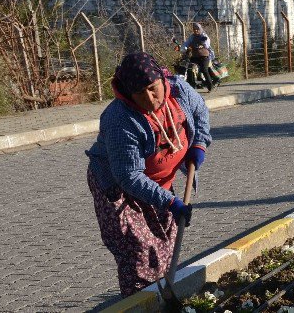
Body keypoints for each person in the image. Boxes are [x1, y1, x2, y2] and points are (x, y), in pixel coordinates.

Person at [86, 52, 211, 297]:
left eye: (153, 89)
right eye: (140, 94)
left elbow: (200, 113)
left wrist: (199, 144)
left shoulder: (179, 91)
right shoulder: (120, 119)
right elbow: (129, 175)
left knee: (166, 244)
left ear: (163, 80)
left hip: (160, 182)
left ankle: (162, 296)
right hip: (119, 189)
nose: (149, 98)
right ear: (128, 94)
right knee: (139, 252)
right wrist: (170, 202)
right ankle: (141, 303)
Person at [182, 22, 217, 91]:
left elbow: (207, 43)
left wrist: (203, 43)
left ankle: (210, 86)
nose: (196, 30)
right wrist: (183, 48)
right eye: (194, 29)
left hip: (204, 57)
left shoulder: (203, 35)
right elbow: (187, 43)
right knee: (188, 67)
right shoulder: (192, 37)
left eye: (197, 29)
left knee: (204, 70)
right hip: (195, 57)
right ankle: (191, 84)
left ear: (200, 29)